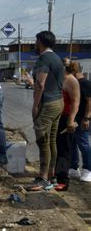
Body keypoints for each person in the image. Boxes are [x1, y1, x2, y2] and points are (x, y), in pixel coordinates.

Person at [27, 31, 64, 191]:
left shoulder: (44, 58)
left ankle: (43, 178)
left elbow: (40, 83)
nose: (35, 44)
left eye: (36, 41)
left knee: (43, 141)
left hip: (47, 104)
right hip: (58, 102)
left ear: (40, 42)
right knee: (52, 141)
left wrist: (35, 105)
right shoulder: (56, 58)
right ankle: (52, 176)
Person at [54, 60, 80, 191]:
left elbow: (75, 102)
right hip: (56, 118)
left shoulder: (71, 81)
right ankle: (55, 175)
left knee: (64, 150)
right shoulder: (60, 79)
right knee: (56, 148)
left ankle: (63, 180)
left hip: (66, 118)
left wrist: (71, 120)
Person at [69, 61, 91, 182]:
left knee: (83, 144)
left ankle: (88, 169)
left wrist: (86, 118)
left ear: (75, 71)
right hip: (73, 119)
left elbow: (90, 102)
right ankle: (73, 168)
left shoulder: (85, 83)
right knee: (72, 143)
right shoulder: (75, 83)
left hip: (82, 119)